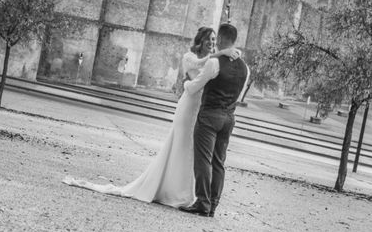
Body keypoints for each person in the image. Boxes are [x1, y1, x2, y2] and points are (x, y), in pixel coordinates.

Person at [62, 27, 240, 208]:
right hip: (188, 106)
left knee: (192, 151)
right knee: (181, 146)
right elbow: (198, 66)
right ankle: (176, 192)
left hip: (201, 108)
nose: (212, 43)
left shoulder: (214, 62)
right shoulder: (191, 57)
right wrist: (223, 53)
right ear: (200, 41)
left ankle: (186, 191)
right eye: (209, 39)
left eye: (214, 39)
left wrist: (223, 56)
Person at [180, 23, 248, 217]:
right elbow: (238, 95)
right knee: (219, 162)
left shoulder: (214, 63)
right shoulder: (245, 67)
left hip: (210, 116)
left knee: (203, 160)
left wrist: (185, 83)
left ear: (219, 40)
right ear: (234, 40)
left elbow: (194, 88)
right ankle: (214, 204)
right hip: (229, 117)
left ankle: (203, 202)